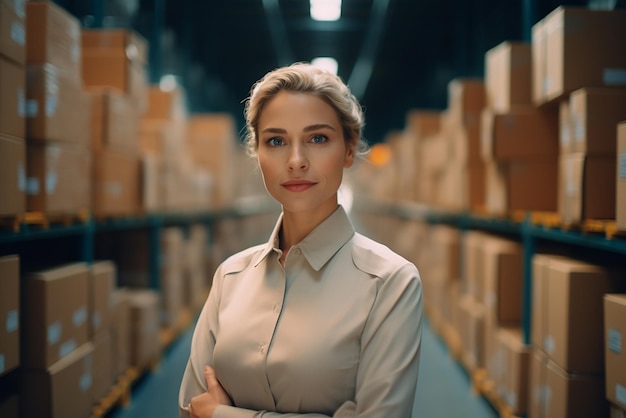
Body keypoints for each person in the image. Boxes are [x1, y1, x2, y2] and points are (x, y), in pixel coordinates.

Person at [178, 62, 423, 418]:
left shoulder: (391, 283)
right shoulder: (230, 276)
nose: (296, 161)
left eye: (318, 139)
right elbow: (190, 407)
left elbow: (205, 412)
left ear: (349, 150)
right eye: (276, 141)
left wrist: (223, 415)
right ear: (257, 153)